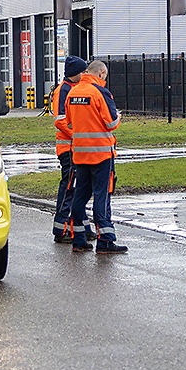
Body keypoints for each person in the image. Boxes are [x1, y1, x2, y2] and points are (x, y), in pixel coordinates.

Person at [65, 59, 127, 254]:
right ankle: (105, 240)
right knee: (101, 196)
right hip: (100, 153)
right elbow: (110, 124)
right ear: (100, 73)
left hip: (79, 153)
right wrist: (118, 118)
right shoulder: (100, 92)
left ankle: (79, 239)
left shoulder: (73, 92)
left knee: (80, 196)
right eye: (105, 77)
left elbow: (68, 124)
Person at [51, 55, 90, 244]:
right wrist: (78, 133)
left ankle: (81, 226)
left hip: (77, 146)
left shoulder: (75, 88)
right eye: (83, 71)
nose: (85, 74)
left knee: (78, 188)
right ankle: (61, 228)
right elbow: (60, 120)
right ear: (74, 73)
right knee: (69, 187)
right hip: (68, 147)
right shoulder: (64, 90)